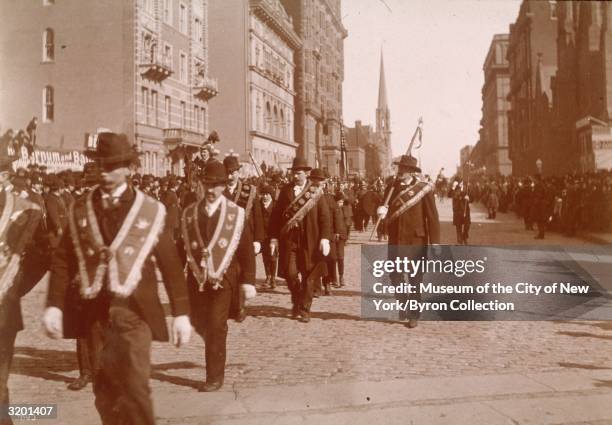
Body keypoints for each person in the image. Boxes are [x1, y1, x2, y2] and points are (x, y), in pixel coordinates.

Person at [42, 132, 191, 425]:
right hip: (94, 313)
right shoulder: (80, 207)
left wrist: (182, 313)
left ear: (128, 168)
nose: (106, 173)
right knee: (104, 391)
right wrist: (54, 304)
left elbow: (171, 264)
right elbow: (63, 259)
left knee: (135, 387)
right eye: (101, 166)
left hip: (134, 312)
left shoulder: (149, 210)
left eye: (112, 166)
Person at [182, 161, 256, 392]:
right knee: (199, 322)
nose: (212, 190)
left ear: (225, 186)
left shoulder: (235, 214)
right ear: (202, 184)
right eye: (208, 185)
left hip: (225, 279)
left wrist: (248, 282)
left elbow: (245, 250)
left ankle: (214, 376)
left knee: (216, 325)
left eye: (217, 185)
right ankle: (214, 348)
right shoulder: (191, 213)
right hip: (197, 279)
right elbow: (180, 247)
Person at [0, 155, 49, 425]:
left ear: (4, 176)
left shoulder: (24, 211)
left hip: (3, 309)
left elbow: (43, 256)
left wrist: (14, 286)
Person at [376, 155, 440, 328]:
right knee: (395, 275)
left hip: (416, 240)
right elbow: (386, 210)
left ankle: (414, 314)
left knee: (414, 279)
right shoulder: (391, 187)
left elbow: (432, 217)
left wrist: (435, 242)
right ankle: (403, 303)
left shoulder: (423, 189)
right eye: (399, 168)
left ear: (411, 171)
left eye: (403, 169)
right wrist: (382, 213)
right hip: (396, 239)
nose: (400, 171)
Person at [269, 157, 332, 323]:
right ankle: (297, 299)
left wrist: (325, 238)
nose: (295, 176)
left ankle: (305, 309)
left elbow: (325, 218)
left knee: (308, 275)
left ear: (306, 174)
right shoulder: (285, 191)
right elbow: (276, 217)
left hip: (310, 240)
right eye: (294, 173)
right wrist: (274, 238)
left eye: (299, 173)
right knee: (290, 273)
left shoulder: (316, 192)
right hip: (290, 240)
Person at [223, 154, 264, 322]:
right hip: (225, 239)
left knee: (242, 272)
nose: (230, 176)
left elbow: (258, 217)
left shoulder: (250, 191)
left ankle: (240, 306)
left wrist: (258, 240)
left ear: (238, 173)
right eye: (227, 172)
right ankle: (231, 305)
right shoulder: (219, 191)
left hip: (245, 239)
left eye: (233, 172)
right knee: (229, 273)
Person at [259, 184, 277, 289]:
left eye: (267, 194)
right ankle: (268, 276)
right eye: (263, 194)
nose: (265, 196)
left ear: (271, 195)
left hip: (273, 235)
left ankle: (273, 278)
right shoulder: (259, 205)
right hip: (263, 235)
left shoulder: (275, 205)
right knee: (265, 257)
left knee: (273, 257)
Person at [451, 179, 471, 245]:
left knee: (467, 225)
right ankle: (459, 241)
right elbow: (452, 195)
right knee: (458, 226)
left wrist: (469, 198)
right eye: (461, 183)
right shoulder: (455, 189)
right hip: (458, 210)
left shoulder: (467, 189)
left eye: (463, 183)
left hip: (466, 210)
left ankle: (464, 237)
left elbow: (472, 197)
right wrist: (463, 197)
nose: (462, 184)